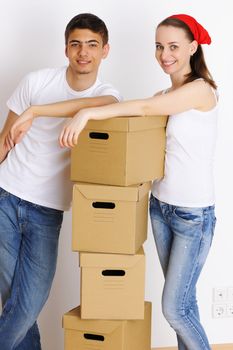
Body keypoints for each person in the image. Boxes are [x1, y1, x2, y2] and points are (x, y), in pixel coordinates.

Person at [11, 14, 218, 350]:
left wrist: (88, 113)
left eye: (174, 46)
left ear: (193, 47)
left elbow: (145, 108)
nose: (165, 54)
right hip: (161, 208)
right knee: (184, 304)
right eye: (159, 46)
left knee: (175, 308)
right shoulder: (166, 91)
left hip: (193, 215)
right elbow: (142, 138)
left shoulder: (200, 90)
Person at [0, 13, 121, 350]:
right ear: (66, 49)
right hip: (5, 197)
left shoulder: (109, 96)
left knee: (27, 302)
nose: (84, 52)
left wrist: (37, 112)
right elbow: (4, 141)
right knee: (14, 299)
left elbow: (102, 104)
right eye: (76, 44)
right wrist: (28, 111)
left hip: (47, 211)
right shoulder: (36, 81)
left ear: (105, 50)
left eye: (92, 45)